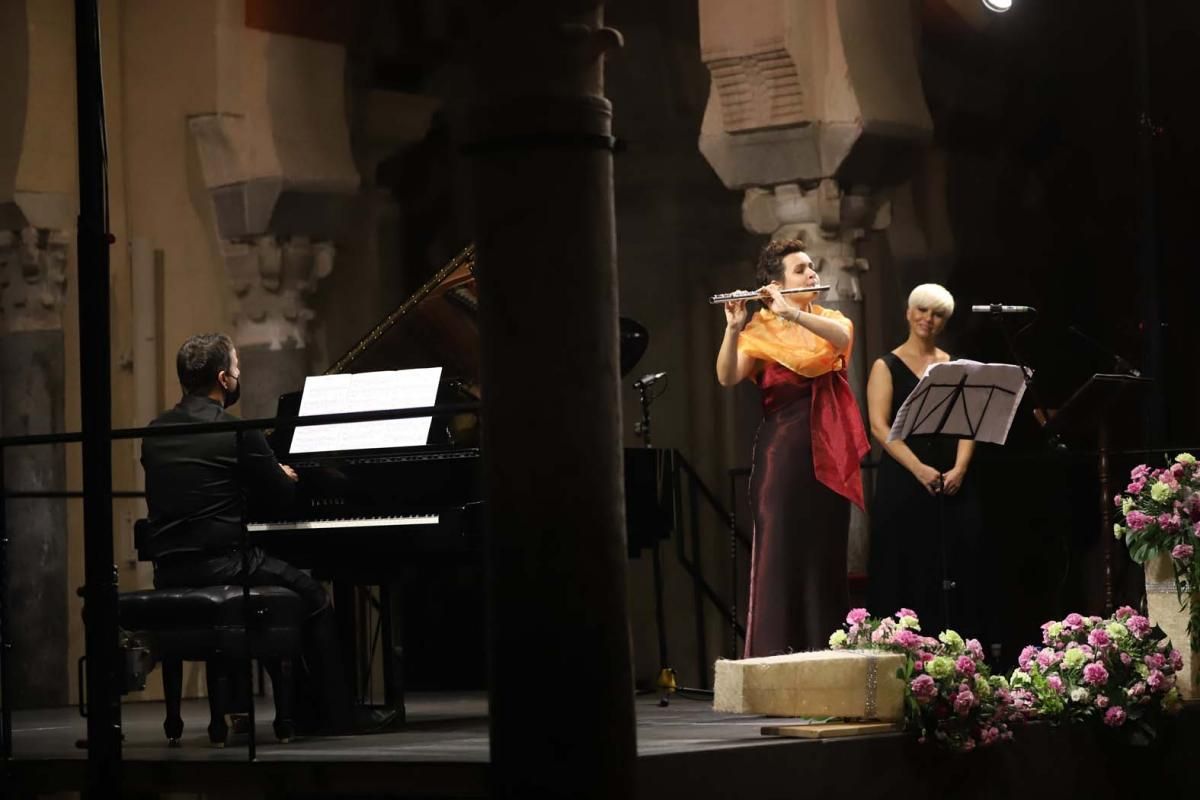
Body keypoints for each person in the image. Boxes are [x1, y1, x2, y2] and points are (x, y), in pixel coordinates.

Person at [140, 333, 394, 736]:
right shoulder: (238, 431)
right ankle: (338, 715)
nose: (240, 376)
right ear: (224, 379)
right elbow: (283, 498)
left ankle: (291, 707)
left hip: (170, 570)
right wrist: (283, 475)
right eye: (237, 369)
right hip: (226, 564)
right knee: (315, 597)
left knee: (288, 590)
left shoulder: (154, 433)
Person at [716, 240, 870, 655]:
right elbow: (728, 375)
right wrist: (733, 328)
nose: (812, 275)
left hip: (827, 454)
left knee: (825, 554)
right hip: (781, 455)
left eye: (811, 267)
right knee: (779, 553)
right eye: (801, 269)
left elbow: (841, 339)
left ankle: (828, 656)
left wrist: (792, 311)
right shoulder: (758, 331)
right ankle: (773, 662)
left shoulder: (829, 319)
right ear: (775, 282)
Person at [865, 284, 982, 635]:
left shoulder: (955, 365)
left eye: (937, 314)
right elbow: (878, 425)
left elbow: (969, 424)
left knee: (954, 566)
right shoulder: (885, 365)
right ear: (908, 312)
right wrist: (918, 469)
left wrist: (961, 467)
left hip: (950, 478)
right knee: (905, 567)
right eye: (922, 310)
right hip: (904, 477)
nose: (928, 319)